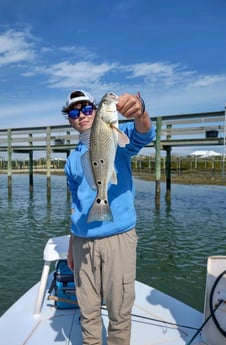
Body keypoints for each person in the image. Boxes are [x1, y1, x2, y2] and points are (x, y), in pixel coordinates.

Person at [62, 90, 155, 345]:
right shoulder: (71, 160)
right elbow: (76, 204)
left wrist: (140, 109)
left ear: (98, 111)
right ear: (69, 119)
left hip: (118, 238)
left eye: (87, 109)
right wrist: (71, 245)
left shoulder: (115, 133)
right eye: (73, 112)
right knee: (88, 311)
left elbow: (144, 133)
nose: (81, 115)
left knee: (119, 311)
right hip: (82, 242)